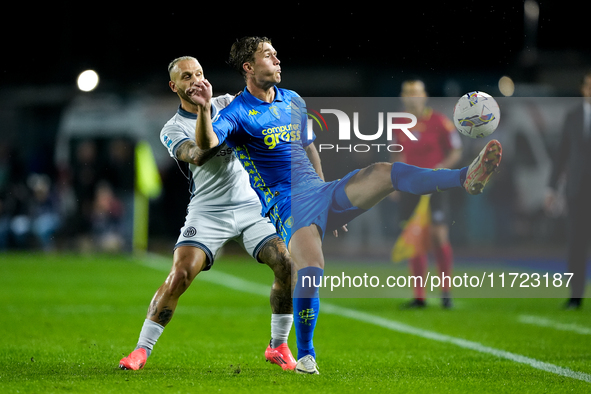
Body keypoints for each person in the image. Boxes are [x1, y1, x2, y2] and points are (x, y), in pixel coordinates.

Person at [188, 36, 502, 374]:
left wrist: (327, 198)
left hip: (320, 191)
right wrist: (206, 108)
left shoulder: (293, 100)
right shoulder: (236, 112)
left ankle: (463, 178)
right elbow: (205, 145)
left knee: (383, 172)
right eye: (268, 55)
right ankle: (306, 355)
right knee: (310, 269)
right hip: (288, 203)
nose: (278, 60)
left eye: (276, 54)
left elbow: (309, 149)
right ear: (248, 67)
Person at [119, 56, 297, 371]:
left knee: (286, 263)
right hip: (209, 212)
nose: (196, 80)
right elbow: (200, 154)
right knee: (181, 275)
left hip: (251, 206)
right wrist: (203, 111)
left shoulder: (230, 103)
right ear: (174, 86)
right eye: (187, 76)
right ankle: (141, 350)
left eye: (199, 73)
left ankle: (278, 346)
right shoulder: (172, 128)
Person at [392, 79, 463, 309]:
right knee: (415, 240)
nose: (412, 96)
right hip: (410, 187)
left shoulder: (439, 122)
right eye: (408, 92)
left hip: (435, 188)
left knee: (438, 236)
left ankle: (446, 293)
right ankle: (419, 297)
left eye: (416, 92)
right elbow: (396, 154)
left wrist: (442, 168)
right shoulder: (397, 124)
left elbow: (456, 151)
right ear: (403, 96)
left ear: (425, 95)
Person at [545, 69, 591, 310]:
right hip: (577, 191)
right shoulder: (572, 116)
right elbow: (561, 154)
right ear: (583, 89)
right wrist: (551, 188)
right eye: (589, 85)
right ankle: (575, 297)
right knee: (576, 244)